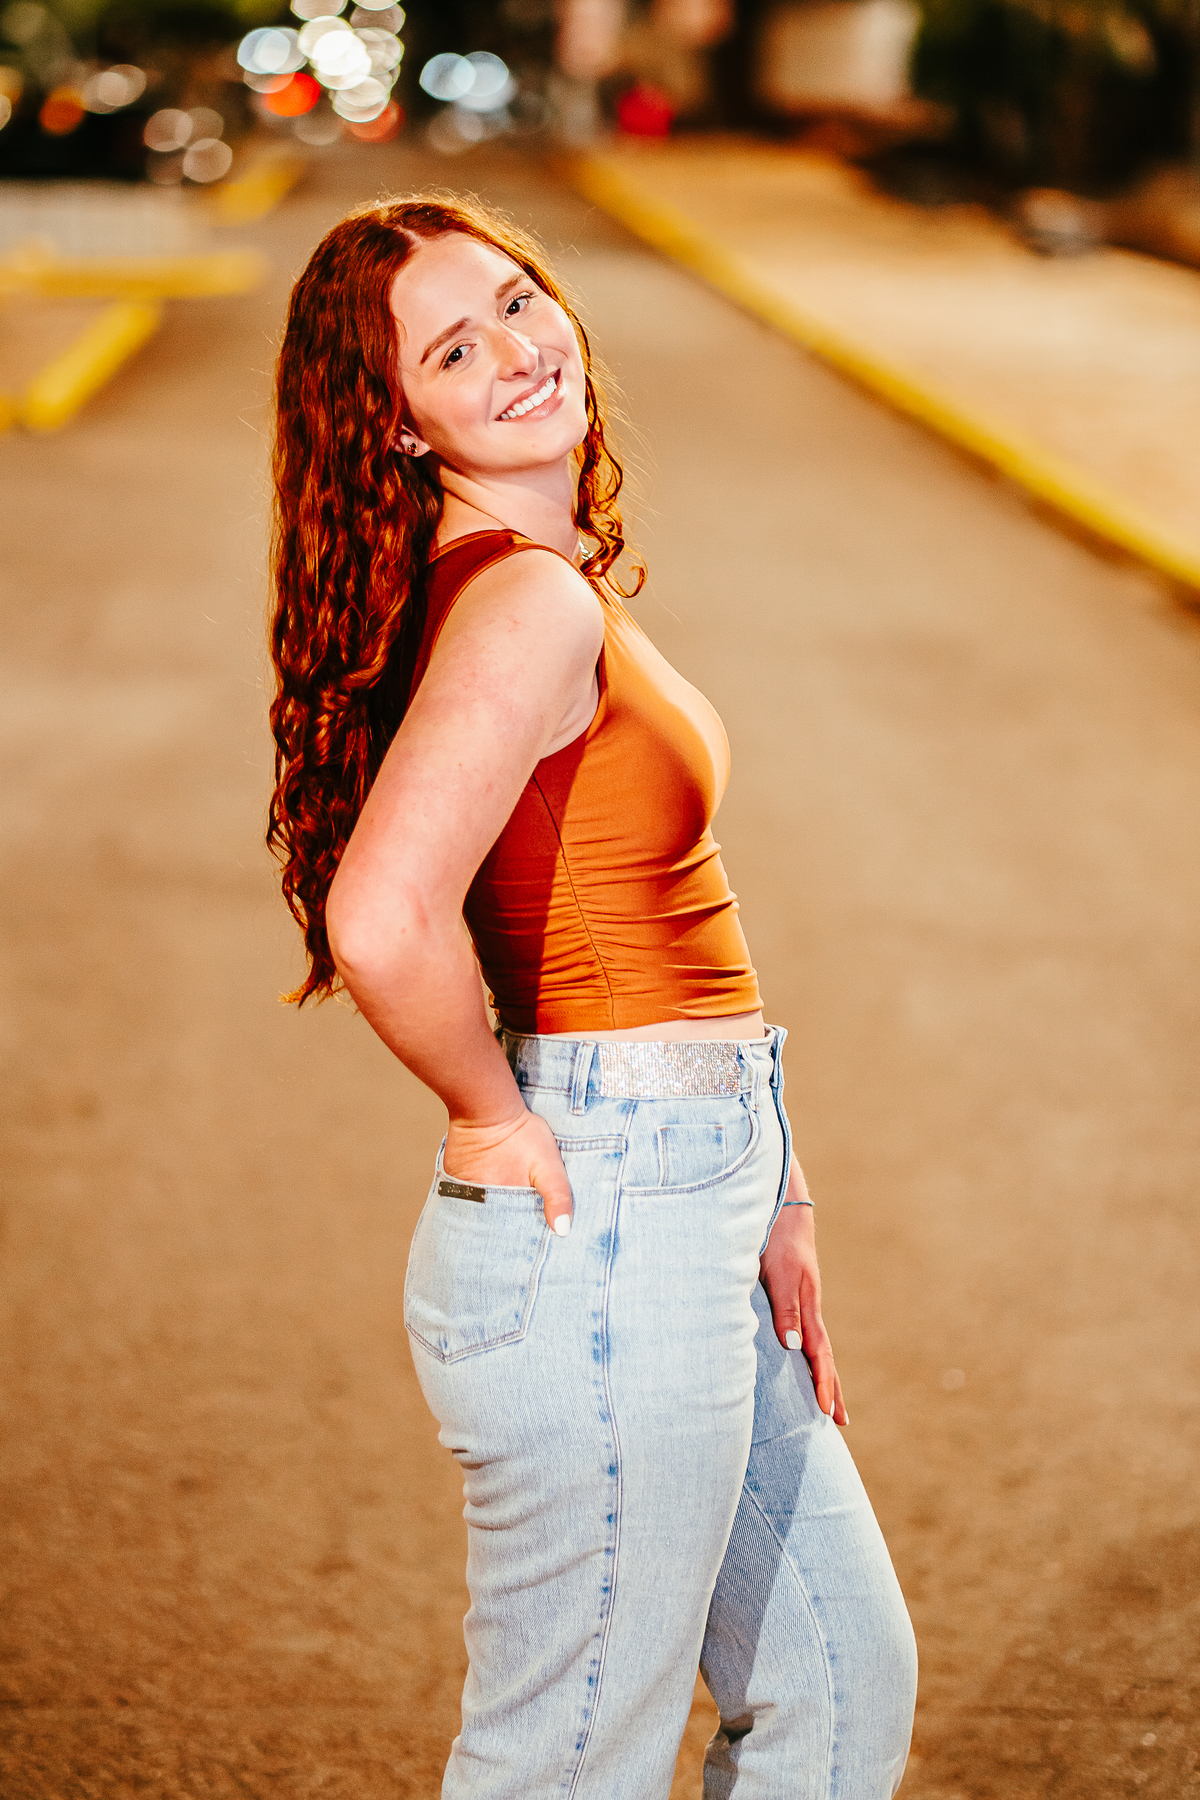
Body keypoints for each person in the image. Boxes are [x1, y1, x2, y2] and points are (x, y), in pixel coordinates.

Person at [267, 193, 917, 1799]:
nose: (515, 351)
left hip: (688, 1178)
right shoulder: (523, 601)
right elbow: (380, 916)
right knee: (567, 1763)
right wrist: (490, 1115)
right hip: (610, 1210)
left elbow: (675, 895)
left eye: (516, 301)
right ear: (398, 422)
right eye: (450, 351)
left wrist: (775, 1178)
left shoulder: (530, 580)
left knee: (838, 1685)